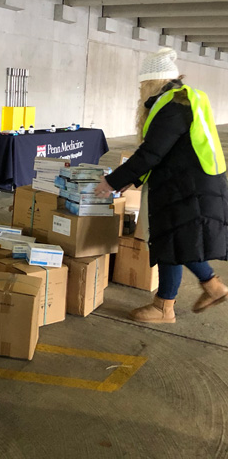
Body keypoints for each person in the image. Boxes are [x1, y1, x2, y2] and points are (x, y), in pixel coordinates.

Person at [94, 48, 228, 324]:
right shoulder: (184, 99)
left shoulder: (173, 107)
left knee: (176, 241)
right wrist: (131, 180)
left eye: (143, 86)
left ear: (152, 82)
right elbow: (164, 153)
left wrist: (111, 182)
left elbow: (152, 153)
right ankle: (176, 301)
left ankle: (180, 300)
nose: (141, 92)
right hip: (188, 184)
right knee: (172, 241)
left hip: (187, 188)